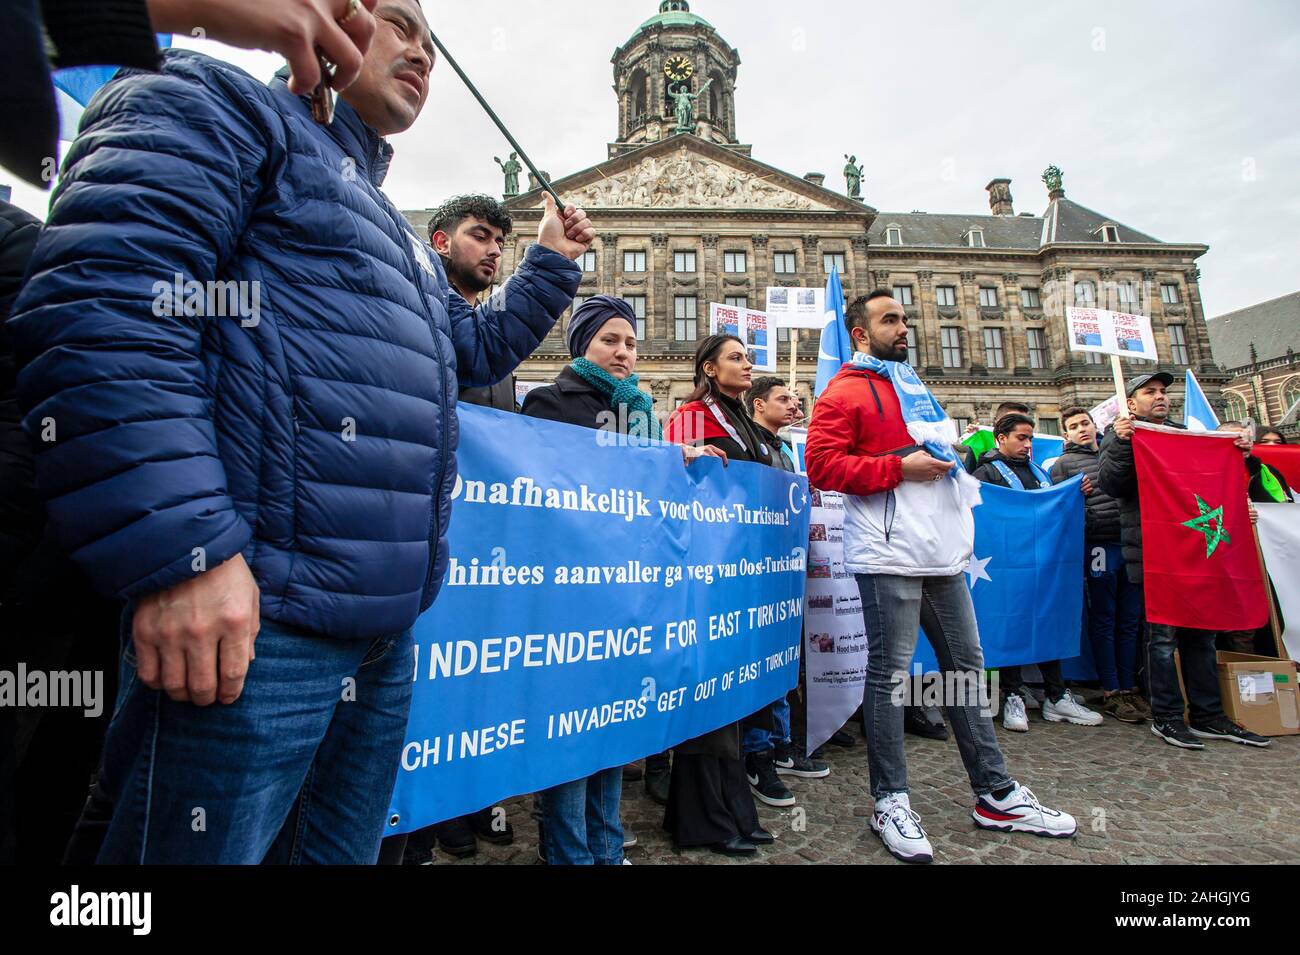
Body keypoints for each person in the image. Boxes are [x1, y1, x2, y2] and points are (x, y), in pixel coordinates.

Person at [8, 0, 596, 863]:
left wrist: (548, 262)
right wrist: (184, 556)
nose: (421, 52)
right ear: (325, 16)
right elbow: (105, 303)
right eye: (398, 22)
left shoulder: (392, 233)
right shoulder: (216, 102)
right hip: (257, 625)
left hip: (382, 636)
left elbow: (469, 351)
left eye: (432, 43)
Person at [806, 291, 1075, 865]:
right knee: (889, 678)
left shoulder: (912, 383)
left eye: (904, 317)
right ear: (860, 334)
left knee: (965, 672)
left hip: (943, 553)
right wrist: (897, 468)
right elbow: (822, 466)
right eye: (890, 320)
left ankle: (995, 792)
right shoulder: (843, 392)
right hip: (889, 554)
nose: (905, 326)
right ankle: (890, 801)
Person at [522, 298, 721, 864]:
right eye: (610, 340)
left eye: (631, 343)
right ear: (582, 343)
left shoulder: (638, 411)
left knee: (612, 725)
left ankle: (607, 849)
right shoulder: (548, 402)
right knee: (569, 733)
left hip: (626, 594)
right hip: (571, 594)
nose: (624, 353)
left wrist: (674, 459)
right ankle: (568, 852)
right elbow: (543, 497)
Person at [5, 0, 381, 187]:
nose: (420, 58)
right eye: (397, 26)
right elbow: (117, 310)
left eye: (429, 53)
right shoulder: (215, 111)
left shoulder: (402, 241)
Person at [1098, 374, 1271, 750]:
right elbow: (1112, 484)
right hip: (1151, 553)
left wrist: (1240, 451)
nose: (1160, 397)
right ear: (1131, 403)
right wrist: (1125, 442)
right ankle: (1168, 716)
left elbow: (1219, 477)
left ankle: (1209, 715)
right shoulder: (1120, 436)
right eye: (1150, 393)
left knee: (1202, 635)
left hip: (1193, 552)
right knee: (1161, 640)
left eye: (1163, 392)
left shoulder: (1183, 435)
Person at [661, 335, 780, 857]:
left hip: (742, 573)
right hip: (704, 575)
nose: (747, 363)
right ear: (709, 368)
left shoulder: (745, 422)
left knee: (730, 696)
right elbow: (669, 474)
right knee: (708, 699)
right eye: (736, 357)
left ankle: (733, 807)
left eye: (749, 357)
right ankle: (703, 819)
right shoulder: (691, 413)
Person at [973, 414, 1102, 731]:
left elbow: (1053, 511)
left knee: (1047, 624)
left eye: (1031, 438)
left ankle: (1057, 696)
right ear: (1000, 438)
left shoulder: (1040, 473)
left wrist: (1075, 493)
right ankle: (1012, 694)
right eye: (1021, 438)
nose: (1028, 445)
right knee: (1011, 627)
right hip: (1004, 570)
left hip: (1041, 569)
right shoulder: (985, 473)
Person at [743, 377, 830, 790]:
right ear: (759, 405)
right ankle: (760, 750)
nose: (793, 405)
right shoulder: (752, 447)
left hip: (786, 570)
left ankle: (781, 743)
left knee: (784, 661)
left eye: (796, 399)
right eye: (784, 399)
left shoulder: (783, 449)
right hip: (758, 572)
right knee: (764, 661)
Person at [1052, 407, 1149, 724]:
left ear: (1095, 426)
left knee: (1130, 619)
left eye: (1085, 423)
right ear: (1065, 434)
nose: (1081, 429)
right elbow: (1058, 509)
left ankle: (1129, 686)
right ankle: (1110, 689)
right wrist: (1075, 497)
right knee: (1105, 619)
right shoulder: (1063, 464)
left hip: (1129, 542)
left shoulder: (1118, 452)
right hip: (1098, 544)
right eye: (1073, 426)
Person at [431, 195, 519, 413]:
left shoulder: (492, 334)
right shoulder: (421, 313)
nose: (496, 251)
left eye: (500, 242)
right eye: (481, 237)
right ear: (443, 243)